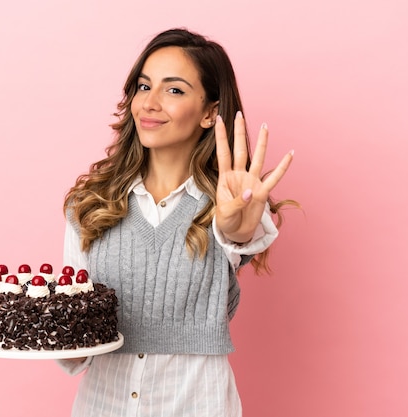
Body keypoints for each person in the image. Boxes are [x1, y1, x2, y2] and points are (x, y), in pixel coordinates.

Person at [58, 27, 295, 417]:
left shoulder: (228, 205)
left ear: (209, 113)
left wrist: (238, 223)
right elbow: (73, 332)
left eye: (174, 90)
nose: (149, 103)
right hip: (102, 406)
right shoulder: (90, 204)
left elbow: (238, 236)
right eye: (143, 86)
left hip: (197, 404)